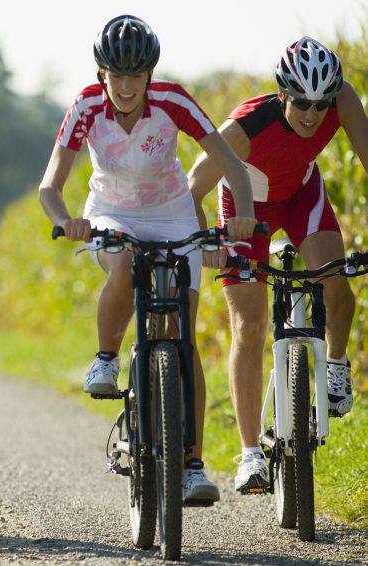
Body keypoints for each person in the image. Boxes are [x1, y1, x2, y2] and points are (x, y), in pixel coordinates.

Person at [38, 15, 256, 504]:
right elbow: (50, 185)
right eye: (117, 75)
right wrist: (68, 219)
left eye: (136, 76)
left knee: (183, 335)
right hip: (111, 212)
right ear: (102, 75)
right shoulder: (86, 107)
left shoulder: (173, 101)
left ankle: (193, 465)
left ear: (149, 76)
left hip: (173, 214)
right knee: (122, 266)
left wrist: (241, 217)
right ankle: (105, 357)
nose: (126, 86)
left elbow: (230, 164)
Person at [188, 36, 364, 493]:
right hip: (246, 213)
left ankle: (337, 366)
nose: (312, 114)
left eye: (321, 104)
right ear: (282, 94)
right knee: (249, 326)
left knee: (337, 282)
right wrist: (207, 242)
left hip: (302, 197)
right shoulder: (244, 129)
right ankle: (250, 455)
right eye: (302, 102)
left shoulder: (342, 101)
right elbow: (193, 189)